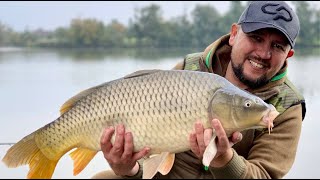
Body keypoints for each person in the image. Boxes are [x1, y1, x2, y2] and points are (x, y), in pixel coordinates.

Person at [92, 1, 306, 179]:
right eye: (256, 38)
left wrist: (224, 159)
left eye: (277, 47)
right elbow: (151, 151)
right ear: (233, 35)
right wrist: (128, 169)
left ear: (288, 55)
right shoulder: (190, 70)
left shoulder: (285, 105)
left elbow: (263, 175)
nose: (263, 53)